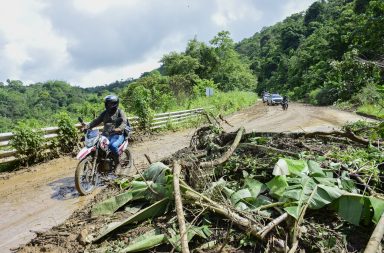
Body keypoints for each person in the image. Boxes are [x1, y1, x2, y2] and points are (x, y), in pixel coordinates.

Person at [87, 95, 128, 174]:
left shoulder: (120, 112)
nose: (109, 105)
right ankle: (100, 165)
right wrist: (88, 126)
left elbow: (124, 123)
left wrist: (118, 129)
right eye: (107, 103)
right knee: (97, 146)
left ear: (115, 104)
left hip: (118, 134)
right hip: (106, 135)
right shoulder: (104, 113)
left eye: (111, 103)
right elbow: (96, 121)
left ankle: (117, 164)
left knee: (113, 146)